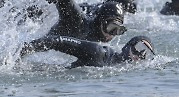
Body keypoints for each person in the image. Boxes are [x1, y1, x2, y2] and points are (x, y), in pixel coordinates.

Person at [42, 0, 127, 42]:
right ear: (100, 20)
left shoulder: (101, 35)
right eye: (111, 27)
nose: (112, 34)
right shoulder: (78, 22)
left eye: (118, 29)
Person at [18, 35, 155, 68]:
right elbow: (56, 40)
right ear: (128, 46)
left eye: (146, 54)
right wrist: (19, 53)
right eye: (140, 48)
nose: (140, 56)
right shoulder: (99, 52)